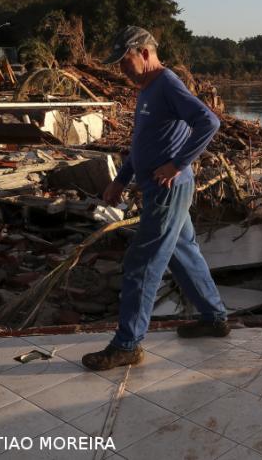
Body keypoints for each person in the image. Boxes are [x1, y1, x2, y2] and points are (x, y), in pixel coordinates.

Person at [82, 26, 228, 372]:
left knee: (141, 264)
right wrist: (121, 179)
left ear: (145, 53)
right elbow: (142, 141)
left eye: (125, 61)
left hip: (168, 190)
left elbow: (209, 121)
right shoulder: (148, 89)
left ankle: (127, 344)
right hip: (157, 189)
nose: (122, 69)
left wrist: (177, 164)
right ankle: (214, 318)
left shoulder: (167, 84)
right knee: (184, 253)